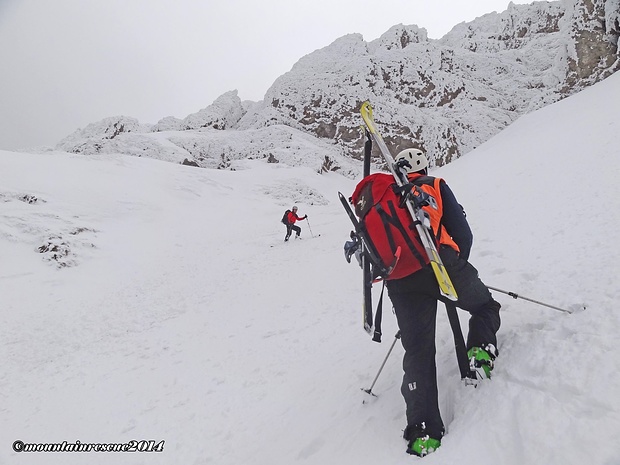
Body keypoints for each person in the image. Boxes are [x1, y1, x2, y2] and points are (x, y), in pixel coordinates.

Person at [386, 148, 501, 457]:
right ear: (424, 166)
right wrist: (458, 265)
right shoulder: (433, 184)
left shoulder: (386, 197)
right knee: (485, 306)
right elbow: (462, 233)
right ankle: (479, 349)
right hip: (442, 263)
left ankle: (423, 431)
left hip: (400, 279)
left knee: (419, 350)